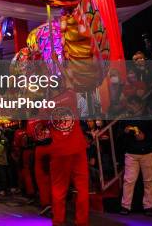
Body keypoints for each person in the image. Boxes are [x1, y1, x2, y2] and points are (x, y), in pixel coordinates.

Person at [47, 89, 89, 226]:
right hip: (77, 147)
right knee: (82, 188)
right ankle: (82, 221)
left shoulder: (45, 106)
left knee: (59, 189)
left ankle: (58, 221)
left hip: (60, 151)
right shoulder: (71, 96)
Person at [118, 96, 152, 216]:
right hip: (131, 153)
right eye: (128, 105)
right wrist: (124, 132)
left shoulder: (149, 118)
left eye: (131, 105)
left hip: (148, 153)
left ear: (138, 105)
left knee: (148, 181)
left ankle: (149, 206)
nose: (129, 107)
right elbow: (119, 136)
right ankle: (125, 206)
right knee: (129, 180)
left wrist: (145, 137)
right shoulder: (126, 118)